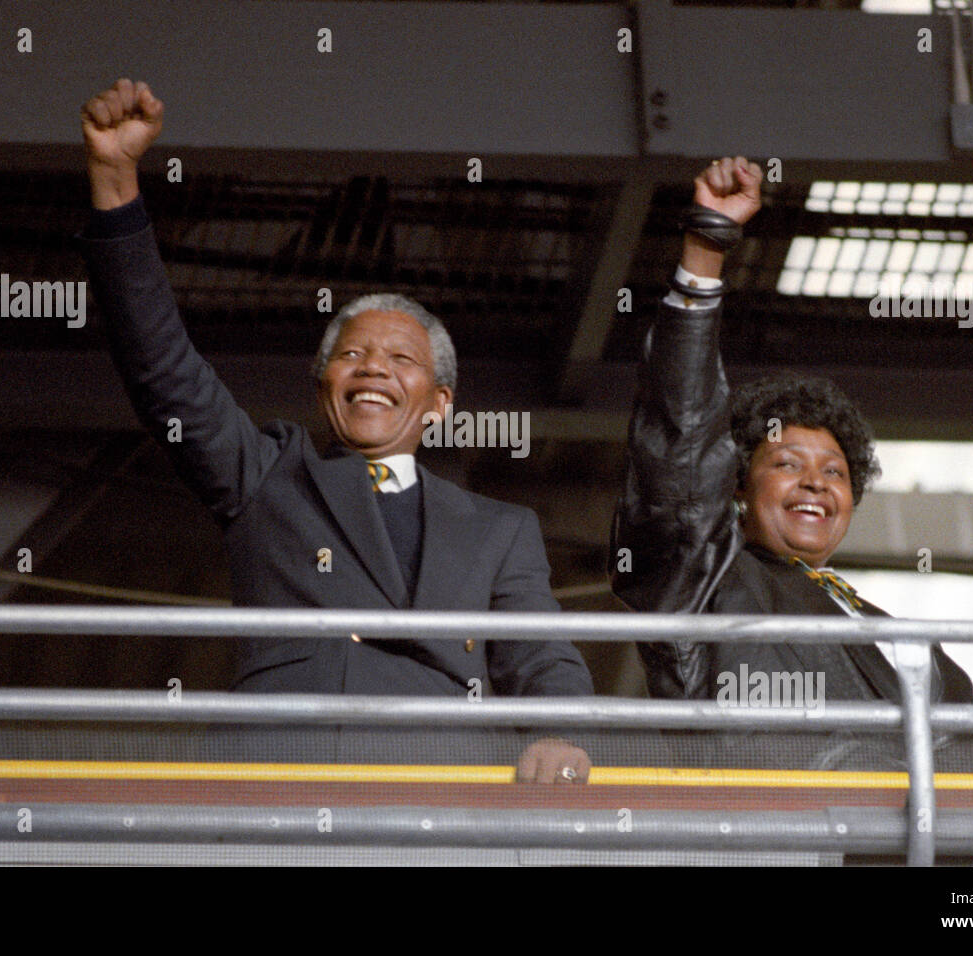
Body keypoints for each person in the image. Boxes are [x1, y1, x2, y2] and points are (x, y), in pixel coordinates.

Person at [77, 79, 592, 783]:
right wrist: (114, 180)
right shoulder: (265, 477)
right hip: (282, 774)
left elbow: (542, 655)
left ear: (438, 403)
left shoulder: (501, 529)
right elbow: (163, 368)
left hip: (442, 784)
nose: (373, 367)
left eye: (400, 358)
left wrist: (559, 733)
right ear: (324, 391)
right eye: (351, 355)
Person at [611, 155, 973, 714]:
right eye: (786, 464)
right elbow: (680, 452)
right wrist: (707, 249)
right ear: (735, 485)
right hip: (770, 803)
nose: (815, 483)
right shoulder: (705, 579)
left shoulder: (907, 640)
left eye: (835, 472)